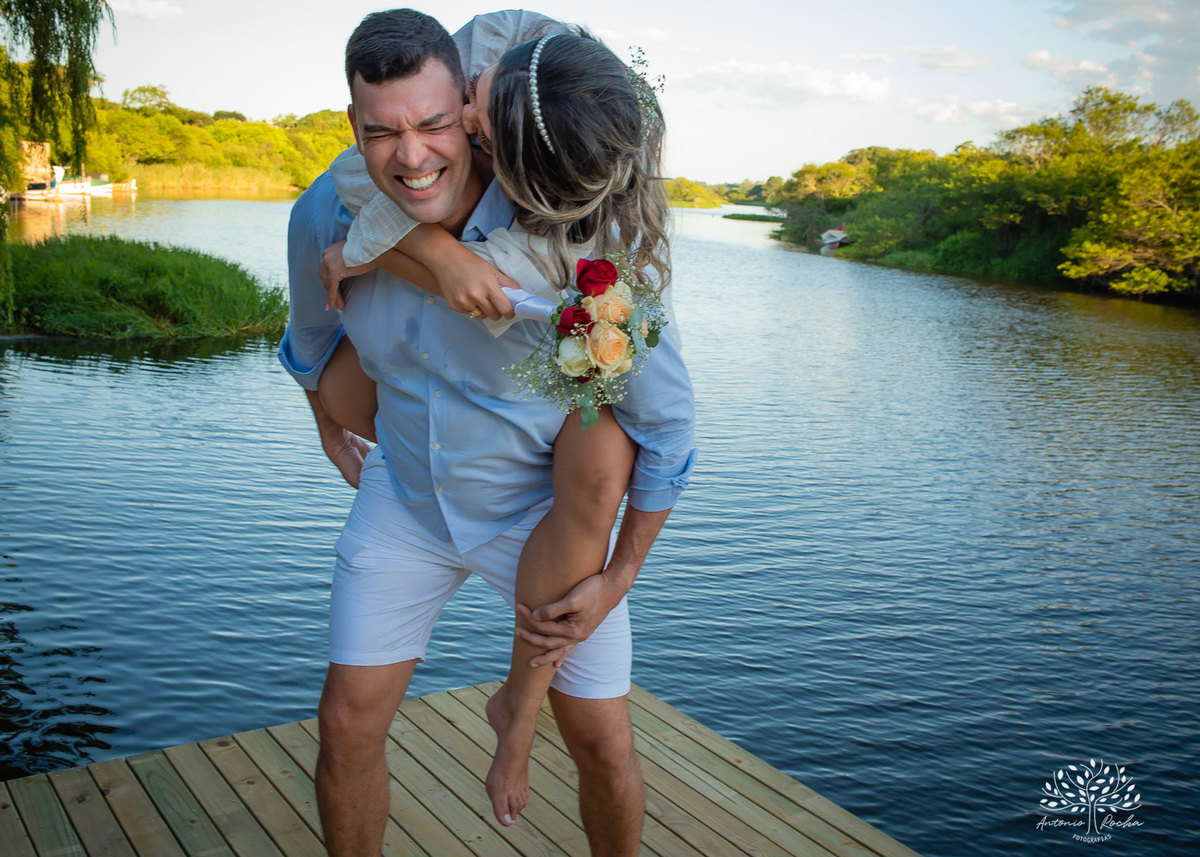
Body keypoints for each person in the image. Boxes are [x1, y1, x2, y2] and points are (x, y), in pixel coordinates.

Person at [278, 10, 695, 857]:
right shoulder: (333, 203)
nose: (419, 148)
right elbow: (309, 337)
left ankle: (522, 703)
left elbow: (671, 432)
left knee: (604, 744)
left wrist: (617, 577)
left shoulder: (582, 271)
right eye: (385, 131)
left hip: (539, 514)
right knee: (345, 722)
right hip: (408, 493)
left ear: (482, 132)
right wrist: (326, 415)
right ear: (353, 127)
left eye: (439, 123)